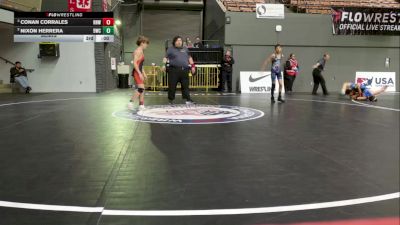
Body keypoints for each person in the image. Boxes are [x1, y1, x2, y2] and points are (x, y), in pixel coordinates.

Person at [162, 36, 196, 105]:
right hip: (174, 70)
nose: (179, 42)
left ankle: (188, 99)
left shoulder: (185, 49)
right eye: (177, 40)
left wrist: (193, 66)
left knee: (185, 86)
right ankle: (171, 100)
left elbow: (190, 58)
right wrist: (163, 65)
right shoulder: (170, 49)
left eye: (180, 40)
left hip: (184, 70)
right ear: (174, 42)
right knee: (172, 86)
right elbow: (165, 58)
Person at [128, 36, 149, 111]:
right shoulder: (138, 51)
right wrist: (139, 73)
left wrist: (144, 73)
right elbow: (135, 63)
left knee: (142, 89)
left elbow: (140, 64)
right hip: (137, 72)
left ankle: (141, 105)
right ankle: (130, 103)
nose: (147, 45)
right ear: (142, 43)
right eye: (146, 43)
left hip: (139, 71)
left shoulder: (141, 51)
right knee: (141, 88)